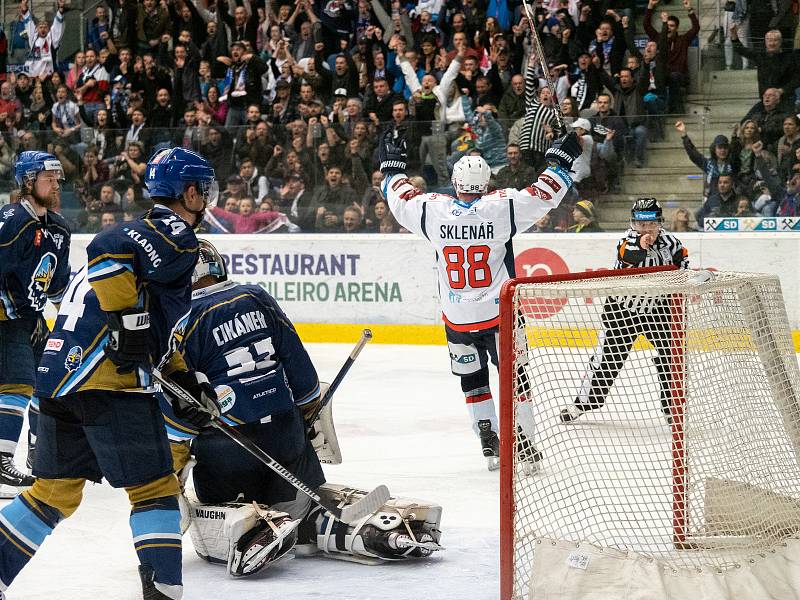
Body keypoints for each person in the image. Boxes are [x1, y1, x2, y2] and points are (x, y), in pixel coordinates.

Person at [0, 147, 221, 600]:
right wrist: (127, 321)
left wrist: (185, 379)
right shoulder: (175, 233)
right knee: (156, 489)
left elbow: (152, 332)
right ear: (190, 192)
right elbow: (106, 249)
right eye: (204, 188)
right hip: (107, 384)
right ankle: (165, 594)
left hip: (60, 380)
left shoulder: (153, 248)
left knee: (54, 493)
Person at [163, 240, 442, 575]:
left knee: (209, 521)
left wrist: (170, 477)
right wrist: (306, 414)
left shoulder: (177, 320)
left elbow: (176, 406)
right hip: (286, 434)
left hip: (229, 444)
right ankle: (350, 526)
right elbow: (300, 369)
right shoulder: (256, 296)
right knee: (302, 501)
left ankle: (250, 527)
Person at [380, 128, 582, 469]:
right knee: (516, 378)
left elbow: (398, 195)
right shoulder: (501, 207)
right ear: (487, 182)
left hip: (457, 318)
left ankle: (489, 441)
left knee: (472, 379)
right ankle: (525, 442)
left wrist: (392, 166)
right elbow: (546, 192)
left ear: (455, 183)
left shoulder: (434, 210)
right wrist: (562, 158)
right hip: (500, 315)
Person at [560, 198, 689, 425]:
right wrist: (642, 244)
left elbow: (683, 267)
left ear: (660, 222)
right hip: (622, 309)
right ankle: (582, 403)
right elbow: (628, 256)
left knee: (673, 356)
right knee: (606, 359)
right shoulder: (627, 240)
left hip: (658, 310)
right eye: (640, 224)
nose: (645, 229)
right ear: (633, 223)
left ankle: (673, 407)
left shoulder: (673, 244)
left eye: (650, 224)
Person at [0, 152, 71, 493]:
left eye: (58, 178)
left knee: (50, 381)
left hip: (32, 319)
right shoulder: (11, 220)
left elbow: (57, 286)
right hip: (6, 316)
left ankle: (38, 455)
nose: (56, 183)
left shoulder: (59, 228)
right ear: (28, 181)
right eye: (48, 177)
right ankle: (1, 460)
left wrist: (63, 321)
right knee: (18, 382)